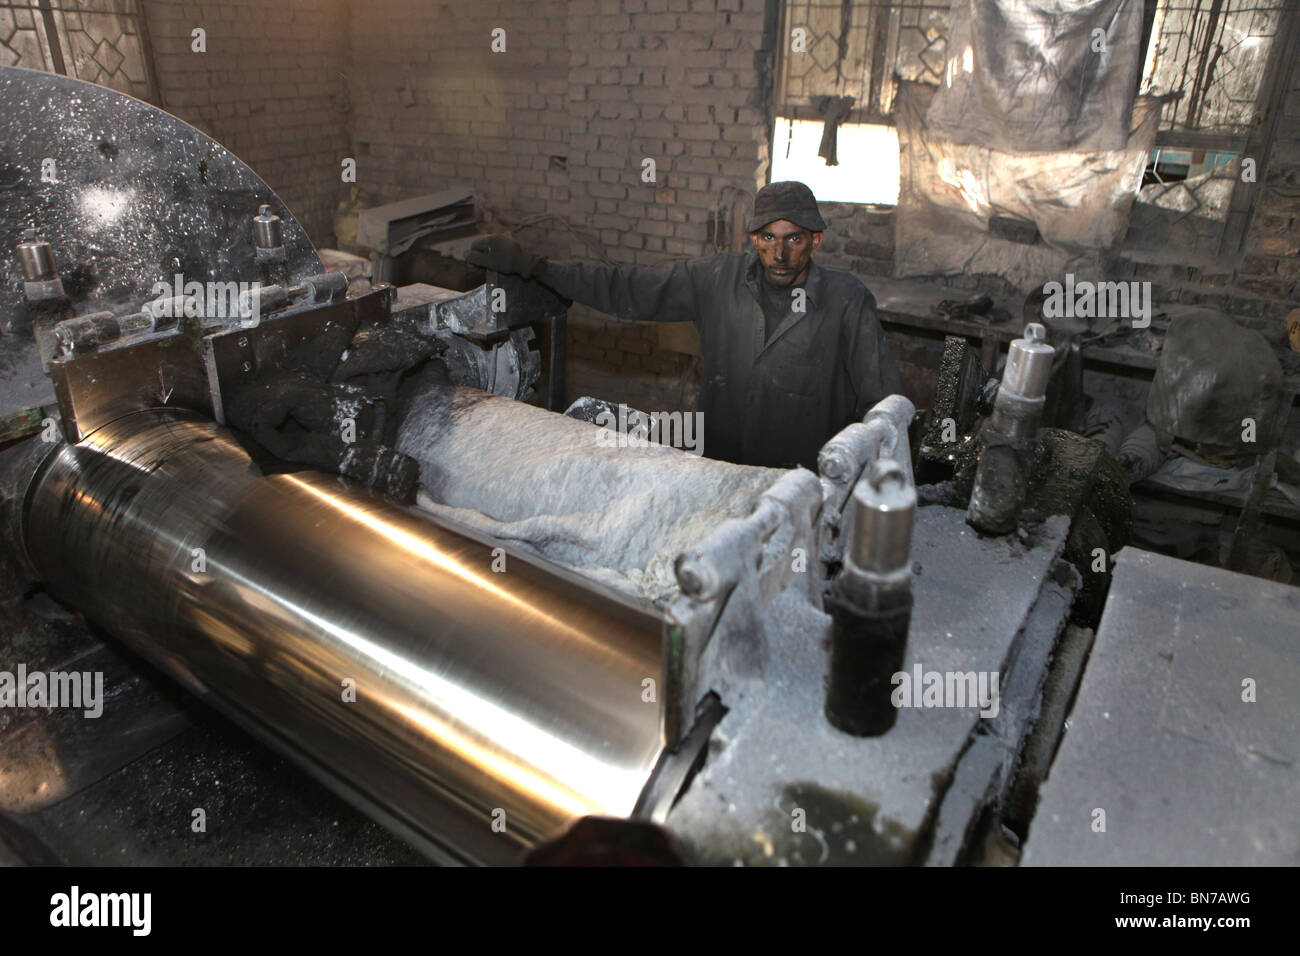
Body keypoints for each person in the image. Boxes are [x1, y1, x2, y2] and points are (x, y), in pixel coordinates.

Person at [467, 181, 903, 470]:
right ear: (753, 238)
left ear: (815, 241)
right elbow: (626, 288)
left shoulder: (847, 301)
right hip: (719, 470)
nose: (780, 253)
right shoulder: (717, 280)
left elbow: (883, 407)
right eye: (769, 237)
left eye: (794, 238)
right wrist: (537, 267)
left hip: (800, 484)